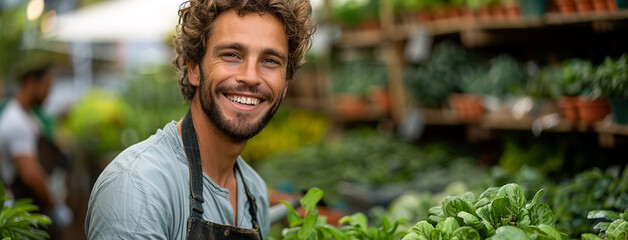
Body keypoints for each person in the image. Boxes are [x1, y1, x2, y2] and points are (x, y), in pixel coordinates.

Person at [84, 0, 315, 239]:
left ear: (285, 84)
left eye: (270, 61)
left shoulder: (253, 191)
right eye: (231, 55)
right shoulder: (138, 186)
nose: (251, 77)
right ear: (194, 68)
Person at [0, 63, 73, 234]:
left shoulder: (27, 115)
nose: (49, 93)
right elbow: (31, 176)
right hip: (26, 215)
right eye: (47, 86)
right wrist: (55, 206)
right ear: (32, 82)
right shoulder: (15, 122)